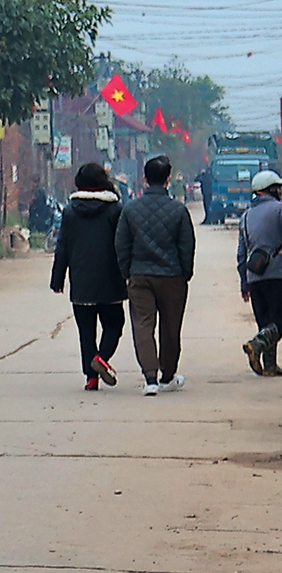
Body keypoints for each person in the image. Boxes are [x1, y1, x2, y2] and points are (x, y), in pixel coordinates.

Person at [114, 153, 195, 395]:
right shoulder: (178, 210)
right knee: (171, 327)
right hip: (172, 276)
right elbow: (187, 246)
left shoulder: (130, 210)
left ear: (144, 178)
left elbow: (121, 244)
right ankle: (167, 376)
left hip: (139, 275)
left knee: (142, 325)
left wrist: (126, 272)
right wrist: (185, 274)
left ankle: (150, 378)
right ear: (168, 179)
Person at [50, 162, 126, 391]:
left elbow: (62, 246)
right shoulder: (116, 210)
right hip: (111, 279)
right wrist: (128, 272)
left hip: (81, 279)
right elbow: (122, 245)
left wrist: (57, 278)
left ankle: (91, 378)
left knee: (86, 331)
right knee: (114, 324)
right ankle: (101, 359)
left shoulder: (71, 211)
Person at [238, 168, 282, 376]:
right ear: (271, 189)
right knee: (279, 321)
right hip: (277, 273)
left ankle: (270, 367)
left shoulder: (246, 216)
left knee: (264, 320)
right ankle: (257, 345)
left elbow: (241, 253)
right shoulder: (279, 209)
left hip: (254, 275)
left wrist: (244, 283)